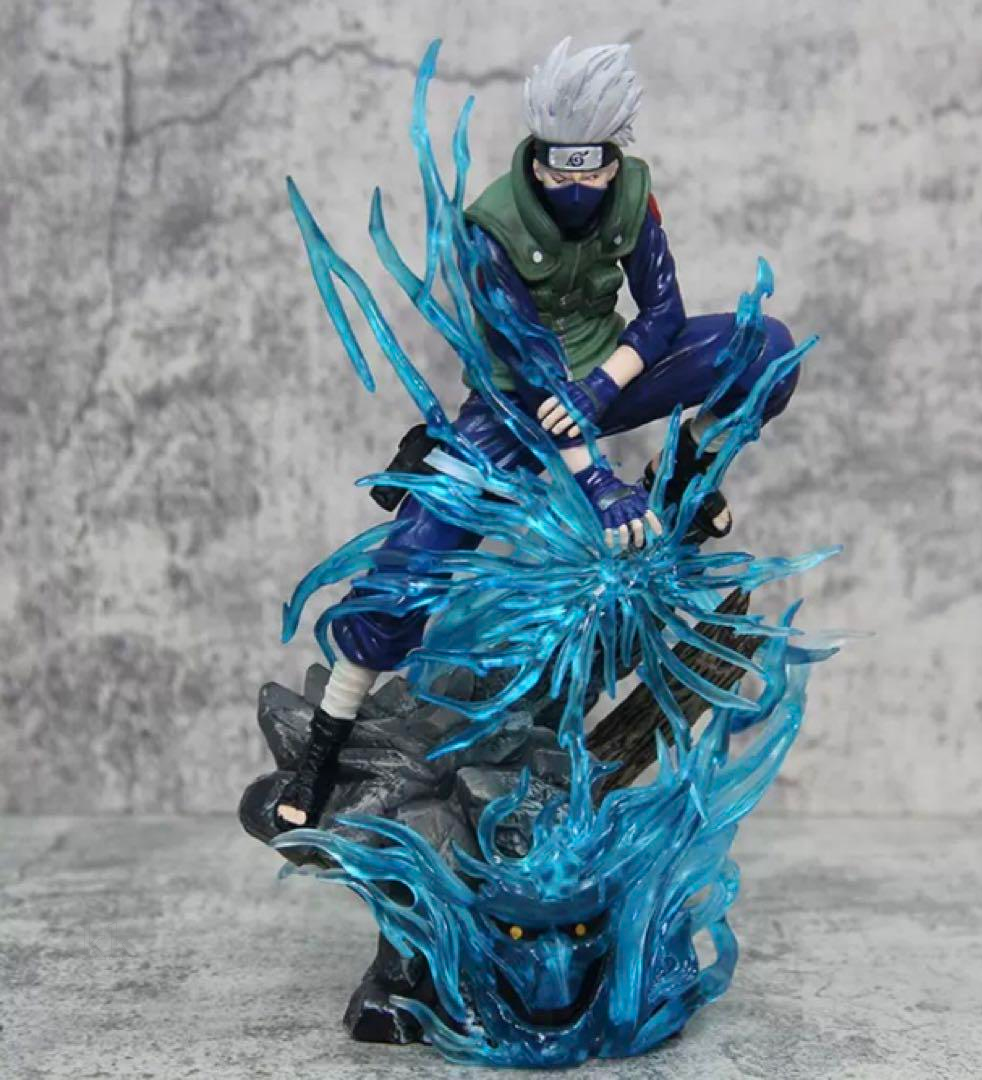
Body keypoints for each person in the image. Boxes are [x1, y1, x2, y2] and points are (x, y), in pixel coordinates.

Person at [275, 38, 799, 829]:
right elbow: (531, 367)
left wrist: (606, 382)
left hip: (608, 373)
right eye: (562, 170)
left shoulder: (633, 195)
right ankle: (325, 751)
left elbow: (664, 312)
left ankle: (689, 467)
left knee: (766, 350)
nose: (578, 189)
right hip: (515, 404)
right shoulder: (489, 228)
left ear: (614, 156)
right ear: (538, 156)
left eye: (594, 169)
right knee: (409, 560)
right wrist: (599, 483)